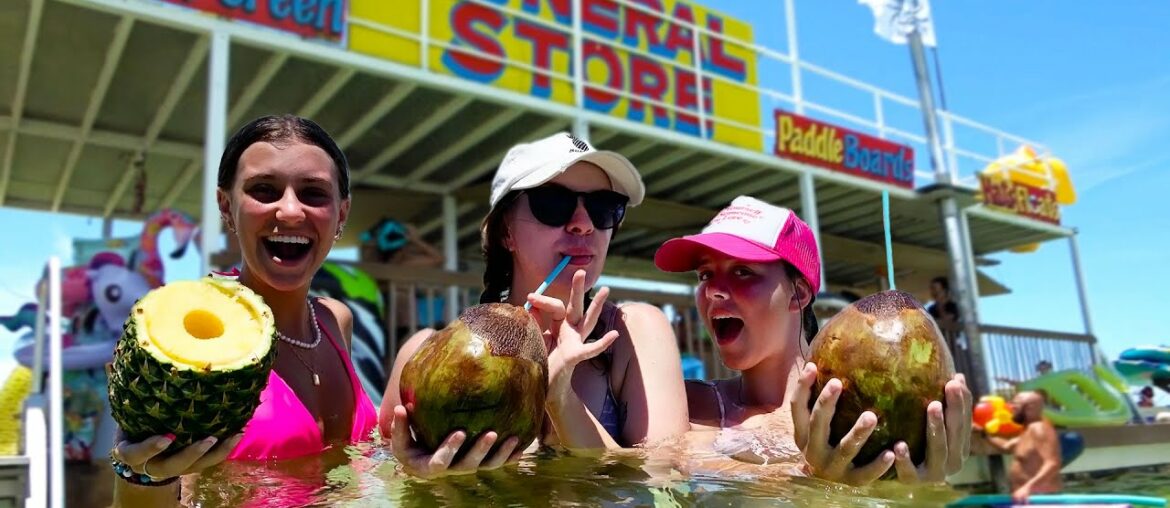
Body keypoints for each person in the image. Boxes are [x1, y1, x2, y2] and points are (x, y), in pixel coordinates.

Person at [380, 132, 690, 478]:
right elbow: (377, 483)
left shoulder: (632, 333)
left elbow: (666, 479)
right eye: (553, 204)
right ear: (505, 233)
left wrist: (562, 400)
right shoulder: (421, 356)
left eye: (604, 207)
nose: (584, 224)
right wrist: (418, 478)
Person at [110, 115, 377, 505]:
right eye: (264, 190)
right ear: (226, 205)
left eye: (314, 193)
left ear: (341, 214)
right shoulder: (195, 341)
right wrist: (141, 477)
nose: (289, 211)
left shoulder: (335, 320)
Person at [653, 196, 972, 485]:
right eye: (705, 275)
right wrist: (806, 478)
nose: (712, 290)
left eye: (742, 272)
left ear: (799, 293)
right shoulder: (679, 406)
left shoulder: (852, 418)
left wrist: (917, 489)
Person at [976, 389, 1062, 501]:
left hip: (1040, 498)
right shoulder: (1027, 430)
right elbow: (1006, 446)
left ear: (1029, 407)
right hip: (1026, 496)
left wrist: (1028, 487)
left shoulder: (1039, 429)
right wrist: (984, 434)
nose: (1010, 407)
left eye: (1015, 404)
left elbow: (1052, 463)